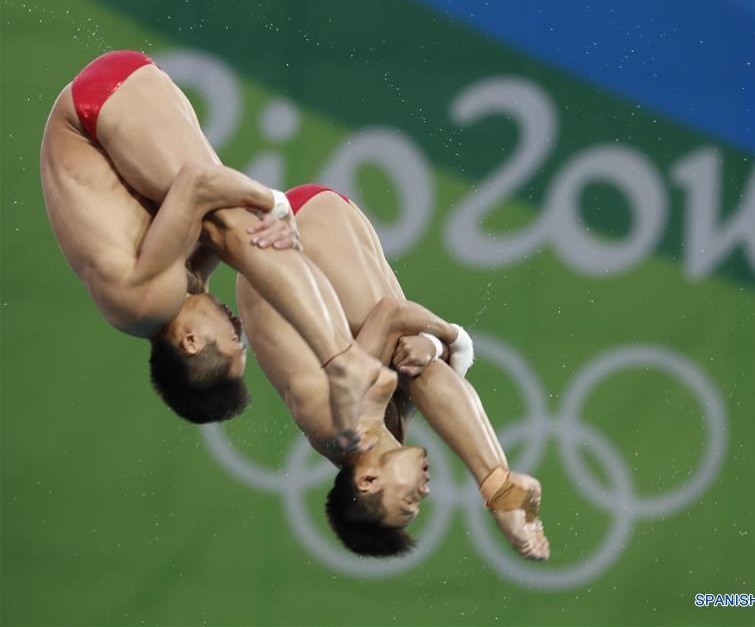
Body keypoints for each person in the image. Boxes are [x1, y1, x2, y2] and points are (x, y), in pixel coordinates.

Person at [40, 50, 385, 441]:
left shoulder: (145, 303)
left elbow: (197, 183)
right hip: (110, 101)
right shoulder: (172, 292)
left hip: (95, 110)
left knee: (235, 227)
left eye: (233, 339)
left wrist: (276, 204)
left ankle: (340, 359)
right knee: (237, 236)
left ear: (189, 341)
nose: (239, 326)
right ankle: (342, 354)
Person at [236, 184, 551, 560]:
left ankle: (499, 491)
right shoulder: (389, 425)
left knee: (400, 352)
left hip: (283, 240)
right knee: (414, 365)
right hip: (334, 225)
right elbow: (436, 363)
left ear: (368, 481)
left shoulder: (338, 424)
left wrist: (452, 337)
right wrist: (437, 345)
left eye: (407, 503)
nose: (425, 493)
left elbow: (391, 315)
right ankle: (502, 489)